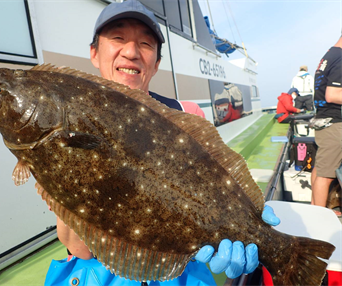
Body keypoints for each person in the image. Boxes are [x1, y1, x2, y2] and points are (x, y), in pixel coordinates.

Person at [43, 0, 280, 285]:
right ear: (94, 53)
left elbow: (217, 191)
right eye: (118, 38)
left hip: (180, 270)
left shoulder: (185, 116)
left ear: (156, 63)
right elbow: (80, 248)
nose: (130, 52)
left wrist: (248, 225)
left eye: (145, 44)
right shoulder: (68, 122)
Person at [311, 35, 342, 216]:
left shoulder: (329, 55)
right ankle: (318, 220)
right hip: (334, 124)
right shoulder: (340, 57)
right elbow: (332, 95)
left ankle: (313, 209)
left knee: (319, 169)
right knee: (326, 175)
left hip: (323, 120)